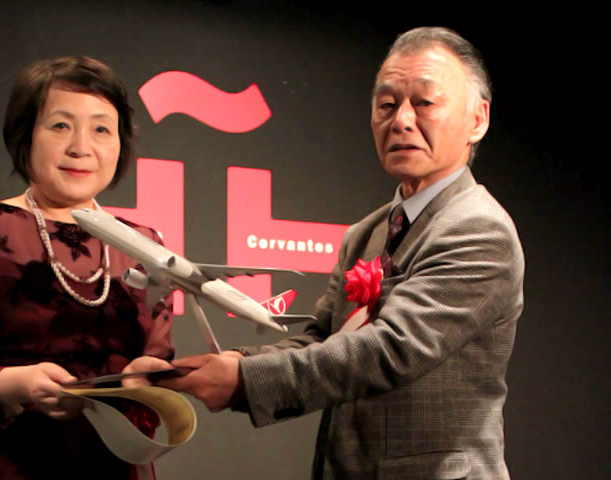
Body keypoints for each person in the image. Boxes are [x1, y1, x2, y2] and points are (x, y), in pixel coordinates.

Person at [124, 27, 524, 479]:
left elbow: (389, 349)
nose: (401, 120)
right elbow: (322, 340)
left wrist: (242, 381)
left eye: (425, 102)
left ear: (478, 119)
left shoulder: (479, 229)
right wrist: (225, 365)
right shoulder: (366, 233)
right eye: (387, 104)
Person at [0, 56, 174, 480]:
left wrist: (147, 381)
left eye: (101, 129)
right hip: (9, 460)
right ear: (25, 135)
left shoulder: (145, 244)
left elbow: (157, 356)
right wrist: (19, 384)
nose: (81, 146)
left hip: (113, 462)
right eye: (61, 125)